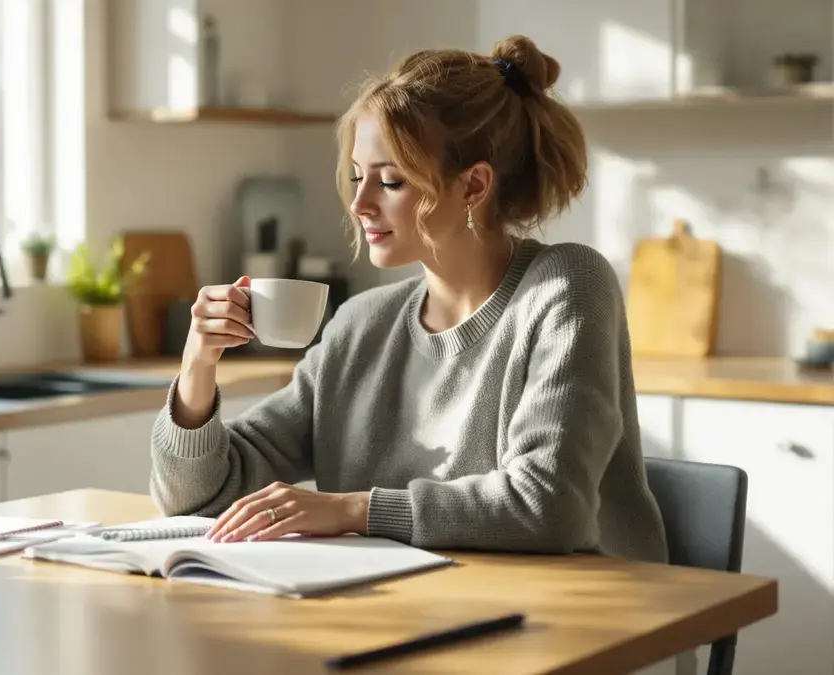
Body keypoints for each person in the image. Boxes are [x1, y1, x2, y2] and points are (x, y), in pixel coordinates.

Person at [147, 35, 668, 564]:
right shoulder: (361, 325)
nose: (359, 204)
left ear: (473, 186)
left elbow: (548, 505)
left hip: (588, 623)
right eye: (357, 177)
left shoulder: (566, 287)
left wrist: (353, 510)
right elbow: (199, 499)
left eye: (390, 181)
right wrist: (198, 366)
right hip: (419, 612)